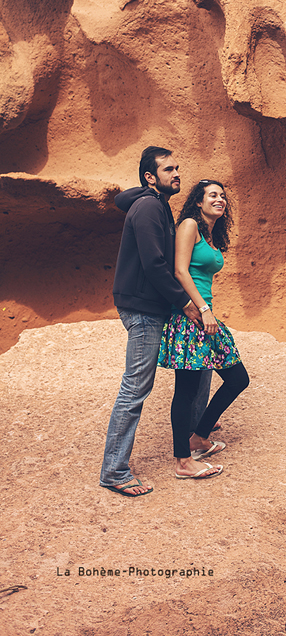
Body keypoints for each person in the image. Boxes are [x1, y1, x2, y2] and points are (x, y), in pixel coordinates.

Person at [100, 146, 202, 497]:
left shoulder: (155, 204)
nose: (177, 174)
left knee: (198, 360)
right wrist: (184, 301)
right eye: (169, 169)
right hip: (143, 308)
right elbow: (154, 263)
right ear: (150, 177)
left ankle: (197, 431)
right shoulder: (147, 207)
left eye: (178, 167)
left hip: (152, 305)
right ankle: (114, 471)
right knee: (135, 387)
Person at [158, 178, 250, 479]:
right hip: (189, 317)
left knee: (238, 379)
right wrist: (203, 309)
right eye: (212, 195)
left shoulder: (210, 235)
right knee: (186, 390)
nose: (219, 200)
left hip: (204, 317)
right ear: (198, 201)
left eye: (223, 196)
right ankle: (183, 461)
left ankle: (198, 437)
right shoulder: (189, 226)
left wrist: (207, 311)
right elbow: (179, 271)